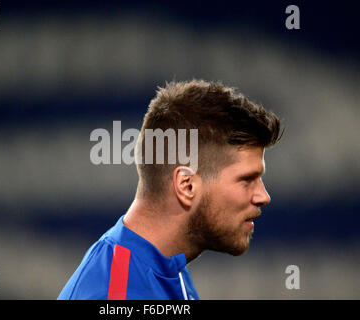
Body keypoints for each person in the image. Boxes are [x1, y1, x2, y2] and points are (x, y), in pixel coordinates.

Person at [58, 79, 282, 300]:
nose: (263, 196)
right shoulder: (116, 295)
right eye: (247, 180)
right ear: (186, 186)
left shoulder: (167, 267)